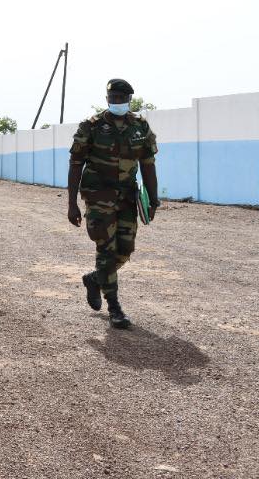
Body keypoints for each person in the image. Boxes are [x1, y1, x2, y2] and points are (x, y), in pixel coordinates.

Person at [68, 78, 159, 329]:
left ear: (129, 100)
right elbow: (76, 164)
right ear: (107, 99)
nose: (116, 102)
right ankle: (115, 308)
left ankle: (95, 279)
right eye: (112, 99)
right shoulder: (91, 126)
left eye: (121, 99)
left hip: (128, 197)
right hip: (99, 198)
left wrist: (153, 199)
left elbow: (148, 165)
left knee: (126, 249)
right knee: (106, 251)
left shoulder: (140, 127)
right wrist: (72, 203)